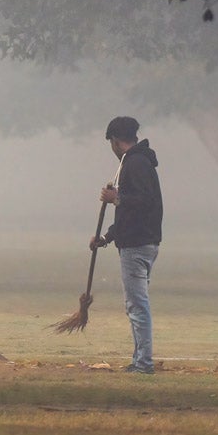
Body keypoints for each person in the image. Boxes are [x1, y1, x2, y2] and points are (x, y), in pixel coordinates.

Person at [91, 115, 164, 374]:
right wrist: (107, 237)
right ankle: (138, 358)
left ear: (115, 141)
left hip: (137, 245)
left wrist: (116, 197)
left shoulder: (135, 164)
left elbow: (143, 201)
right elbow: (130, 214)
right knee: (136, 303)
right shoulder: (140, 162)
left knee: (137, 305)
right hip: (142, 240)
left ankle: (143, 363)